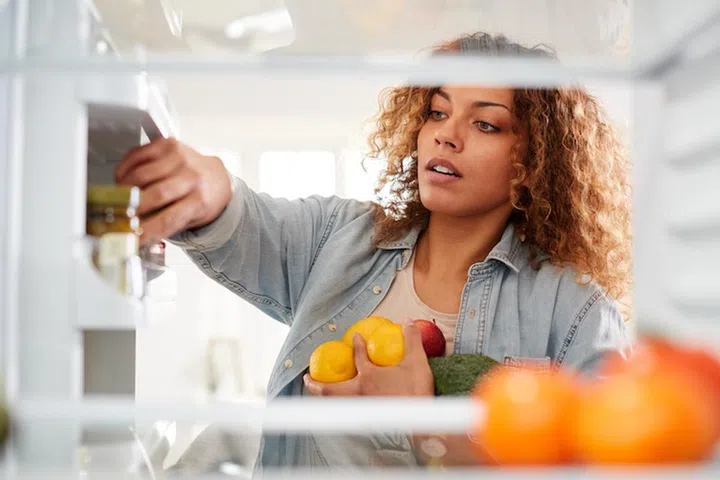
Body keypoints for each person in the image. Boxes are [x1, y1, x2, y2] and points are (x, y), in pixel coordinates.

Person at [115, 32, 632, 470]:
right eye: (437, 112)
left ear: (531, 162)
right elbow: (244, 218)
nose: (445, 137)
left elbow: (606, 461)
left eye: (485, 124)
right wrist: (206, 188)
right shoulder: (341, 238)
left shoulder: (574, 311)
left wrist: (426, 425)